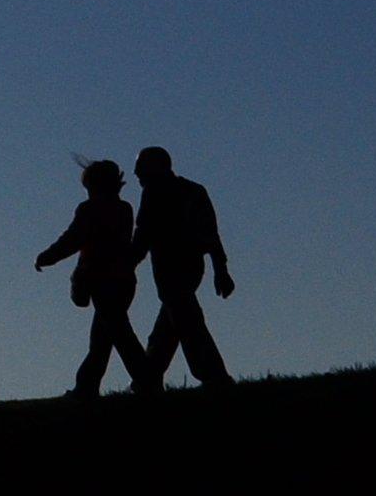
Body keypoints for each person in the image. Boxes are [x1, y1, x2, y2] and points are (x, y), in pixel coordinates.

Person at [34, 159, 147, 397]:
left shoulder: (90, 210)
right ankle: (87, 385)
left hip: (102, 278)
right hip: (124, 278)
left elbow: (73, 238)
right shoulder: (124, 209)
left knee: (117, 333)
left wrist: (48, 256)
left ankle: (146, 379)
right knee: (104, 337)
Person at [130, 144, 236, 392]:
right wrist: (220, 269)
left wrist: (126, 264)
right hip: (191, 267)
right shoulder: (194, 191)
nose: (137, 175)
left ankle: (214, 375)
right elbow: (211, 234)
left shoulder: (155, 193)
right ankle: (147, 377)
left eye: (141, 169)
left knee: (187, 321)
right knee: (170, 323)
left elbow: (142, 236)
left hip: (170, 267)